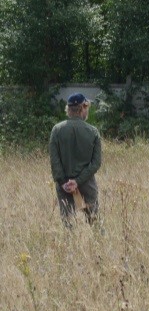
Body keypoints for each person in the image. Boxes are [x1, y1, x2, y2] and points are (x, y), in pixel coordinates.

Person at [49, 93, 102, 226]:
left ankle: (70, 246)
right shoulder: (93, 131)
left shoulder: (57, 130)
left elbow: (54, 161)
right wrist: (78, 181)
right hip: (87, 183)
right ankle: (99, 246)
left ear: (69, 109)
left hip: (64, 185)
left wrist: (63, 182)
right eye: (87, 108)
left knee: (68, 224)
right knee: (95, 222)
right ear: (83, 108)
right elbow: (96, 163)